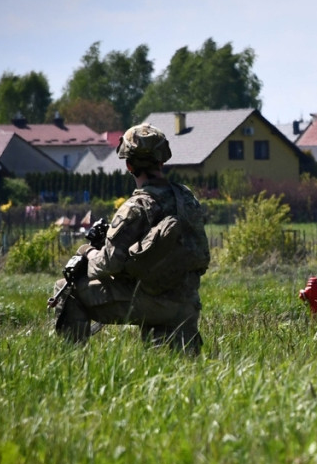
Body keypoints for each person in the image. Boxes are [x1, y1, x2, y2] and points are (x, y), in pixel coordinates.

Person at [53, 123, 211, 354]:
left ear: (128, 165)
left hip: (151, 302)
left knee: (67, 289)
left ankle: (71, 361)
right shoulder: (187, 198)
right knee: (172, 368)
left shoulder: (135, 207)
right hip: (187, 303)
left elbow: (107, 264)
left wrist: (87, 252)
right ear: (162, 161)